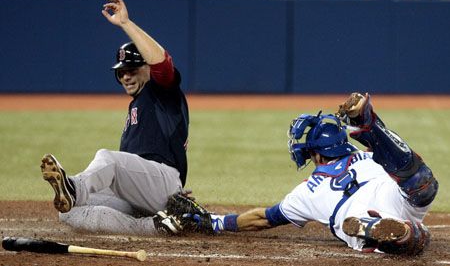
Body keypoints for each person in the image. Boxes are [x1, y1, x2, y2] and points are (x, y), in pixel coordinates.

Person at [182, 92, 438, 255]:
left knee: (402, 238)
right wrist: (369, 127)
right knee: (420, 183)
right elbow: (393, 154)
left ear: (315, 153)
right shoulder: (371, 156)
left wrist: (215, 221)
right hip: (395, 196)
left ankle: (401, 233)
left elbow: (263, 219)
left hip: (359, 218)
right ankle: (368, 123)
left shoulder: (305, 192)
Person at [40, 0, 189, 235]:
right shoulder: (136, 106)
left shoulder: (162, 91)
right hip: (141, 189)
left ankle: (75, 186)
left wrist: (126, 23)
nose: (126, 77)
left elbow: (162, 61)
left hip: (163, 180)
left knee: (107, 158)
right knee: (69, 211)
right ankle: (152, 226)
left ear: (147, 68)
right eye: (121, 73)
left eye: (132, 70)